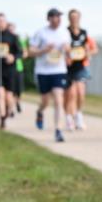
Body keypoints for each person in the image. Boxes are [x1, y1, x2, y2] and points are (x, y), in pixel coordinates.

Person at [29, 8, 71, 142]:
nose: (56, 19)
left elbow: (69, 54)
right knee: (45, 101)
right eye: (54, 17)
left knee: (59, 99)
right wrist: (44, 50)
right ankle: (40, 112)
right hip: (43, 71)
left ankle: (58, 130)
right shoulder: (41, 33)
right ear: (48, 19)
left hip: (59, 70)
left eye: (59, 17)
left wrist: (67, 50)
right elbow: (30, 51)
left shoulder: (65, 33)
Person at [64, 9, 96, 131]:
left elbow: (90, 49)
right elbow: (62, 47)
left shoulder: (84, 33)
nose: (74, 19)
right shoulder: (65, 33)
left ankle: (78, 115)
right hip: (68, 67)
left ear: (79, 18)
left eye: (76, 17)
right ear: (69, 19)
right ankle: (69, 118)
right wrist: (66, 55)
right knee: (71, 94)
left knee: (81, 94)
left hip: (81, 66)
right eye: (72, 17)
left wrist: (88, 52)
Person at [7, 22, 27, 114]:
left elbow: (25, 53)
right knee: (10, 89)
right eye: (9, 29)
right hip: (8, 68)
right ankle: (10, 108)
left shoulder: (19, 40)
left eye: (12, 29)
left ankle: (17, 101)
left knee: (18, 89)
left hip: (18, 67)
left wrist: (18, 56)